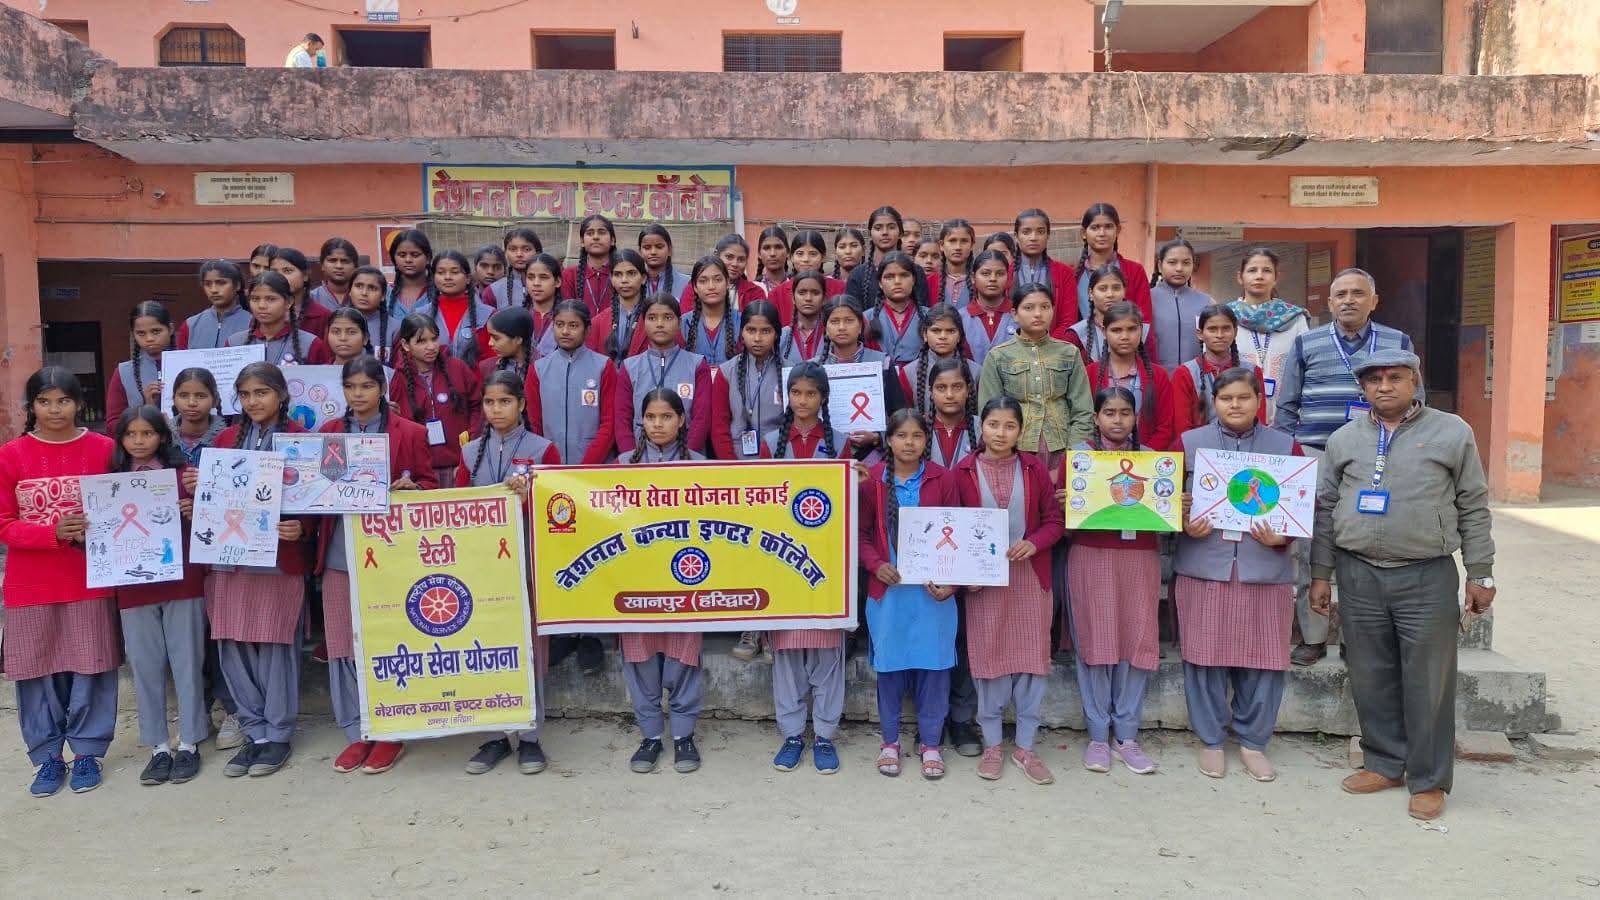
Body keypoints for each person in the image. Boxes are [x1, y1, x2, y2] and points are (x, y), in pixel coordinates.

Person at [1310, 348, 1495, 822]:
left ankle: (1429, 779)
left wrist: (1481, 571)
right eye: (1374, 380)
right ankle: (1383, 763)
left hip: (1426, 573)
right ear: (1363, 388)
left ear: (1415, 381)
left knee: (1429, 679)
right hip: (1358, 572)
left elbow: (1474, 504)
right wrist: (1320, 573)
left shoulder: (1452, 432)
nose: (1385, 386)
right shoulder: (1345, 439)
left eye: (1395, 377)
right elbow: (1325, 509)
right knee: (1369, 673)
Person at [1274, 268, 1415, 667]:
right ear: (1330, 302)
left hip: (1376, 453)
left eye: (1358, 293)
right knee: (1309, 548)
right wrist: (1289, 457)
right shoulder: (1307, 342)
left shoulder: (1397, 341)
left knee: (1364, 545)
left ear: (1374, 301)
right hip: (1315, 454)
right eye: (1341, 294)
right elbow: (1287, 405)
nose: (1349, 300)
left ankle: (1358, 638)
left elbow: (1414, 398)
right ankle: (1313, 637)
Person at [1174, 369, 1299, 781]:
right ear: (1214, 401)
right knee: (1203, 656)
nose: (1235, 405)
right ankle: (1210, 739)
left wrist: (1283, 537)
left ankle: (1253, 741)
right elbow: (1165, 500)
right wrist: (1183, 521)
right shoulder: (1189, 443)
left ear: (1258, 401)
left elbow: (1303, 506)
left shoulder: (1285, 446)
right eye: (1226, 398)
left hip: (1264, 567)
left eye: (1243, 397)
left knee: (1264, 659)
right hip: (1205, 564)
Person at [0, 368, 120, 797]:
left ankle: (88, 751)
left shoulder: (104, 449)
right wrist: (50, 533)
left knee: (92, 664)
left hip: (90, 578)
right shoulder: (10, 455)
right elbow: (4, 523)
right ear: (31, 407)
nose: (55, 410)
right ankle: (47, 757)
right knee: (36, 669)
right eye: (44, 401)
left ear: (79, 404)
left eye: (64, 401)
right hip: (30, 583)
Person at [319, 356, 436, 776]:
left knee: (389, 639)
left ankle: (392, 730)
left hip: (390, 553)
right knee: (343, 643)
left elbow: (429, 483)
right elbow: (313, 488)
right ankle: (357, 730)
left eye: (366, 386)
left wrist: (412, 487)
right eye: (350, 387)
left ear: (382, 389)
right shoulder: (329, 433)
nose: (358, 394)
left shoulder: (411, 432)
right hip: (339, 550)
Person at [953, 397, 1064, 784]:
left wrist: (1034, 542)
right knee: (990, 662)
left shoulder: (1033, 469)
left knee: (1032, 662)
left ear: (1021, 431)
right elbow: (953, 529)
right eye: (993, 425)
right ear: (981, 427)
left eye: (1009, 426)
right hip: (984, 583)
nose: (1000, 433)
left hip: (1029, 577)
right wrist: (964, 575)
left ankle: (1026, 748)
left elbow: (1054, 521)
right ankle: (993, 745)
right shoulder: (962, 472)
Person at [210, 363, 311, 779]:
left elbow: (318, 499)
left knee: (274, 644)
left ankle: (278, 732)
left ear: (282, 395)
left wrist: (303, 528)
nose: (253, 401)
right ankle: (253, 731)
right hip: (229, 558)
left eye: (262, 392)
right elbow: (213, 500)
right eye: (245, 394)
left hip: (279, 559)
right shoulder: (224, 441)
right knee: (233, 642)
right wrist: (198, 490)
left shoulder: (302, 441)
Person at [458, 372, 561, 775]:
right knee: (488, 647)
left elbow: (558, 512)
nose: (496, 410)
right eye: (489, 402)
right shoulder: (469, 452)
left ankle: (531, 737)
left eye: (504, 402)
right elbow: (456, 508)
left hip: (527, 564)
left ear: (521, 404)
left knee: (529, 649)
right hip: (482, 567)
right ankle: (495, 735)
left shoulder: (543, 449)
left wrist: (529, 498)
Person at [1061, 386, 1162, 776]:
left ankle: (1127, 735)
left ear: (1135, 417)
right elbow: (1063, 518)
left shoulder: (1153, 461)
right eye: (1109, 412)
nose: (1117, 420)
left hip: (1140, 558)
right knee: (1095, 642)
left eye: (1125, 413)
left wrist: (1176, 507)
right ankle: (1099, 736)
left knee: (1136, 640)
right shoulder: (1080, 458)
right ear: (1096, 417)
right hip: (1092, 556)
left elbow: (1163, 516)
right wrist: (1063, 503)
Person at [857, 410, 961, 779]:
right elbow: (861, 535)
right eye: (901, 435)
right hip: (889, 592)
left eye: (917, 436)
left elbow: (958, 531)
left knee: (935, 669)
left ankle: (931, 744)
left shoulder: (942, 478)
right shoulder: (872, 482)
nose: (909, 443)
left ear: (925, 440)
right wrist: (876, 565)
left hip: (934, 593)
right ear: (888, 440)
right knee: (890, 669)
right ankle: (889, 742)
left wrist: (952, 583)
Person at [110, 407, 209, 786]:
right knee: (145, 667)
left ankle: (190, 742)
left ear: (163, 437)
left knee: (188, 663)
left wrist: (194, 508)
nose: (139, 441)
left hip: (183, 581)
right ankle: (158, 747)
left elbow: (212, 523)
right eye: (131, 434)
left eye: (147, 433)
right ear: (121, 440)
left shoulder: (185, 477)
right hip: (133, 587)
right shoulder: (110, 483)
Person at [763, 364, 848, 774]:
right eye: (795, 393)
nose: (802, 401)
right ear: (787, 396)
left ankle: (825, 735)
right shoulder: (769, 444)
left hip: (826, 566)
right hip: (781, 565)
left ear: (823, 398)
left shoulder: (841, 443)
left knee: (827, 652)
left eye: (810, 394)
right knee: (787, 655)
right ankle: (793, 733)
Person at [620, 389, 707, 774]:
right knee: (639, 655)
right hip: (636, 580)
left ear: (681, 420)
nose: (658, 424)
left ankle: (684, 735)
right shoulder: (622, 465)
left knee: (684, 653)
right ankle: (651, 736)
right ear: (641, 421)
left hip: (685, 578)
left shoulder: (701, 466)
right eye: (651, 417)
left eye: (666, 416)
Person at [388, 313, 482, 488]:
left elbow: (478, 406)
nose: (431, 346)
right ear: (406, 345)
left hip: (460, 465)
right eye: (421, 341)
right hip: (419, 473)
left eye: (434, 339)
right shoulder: (396, 379)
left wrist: (470, 450)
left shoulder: (457, 368)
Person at [1228, 247, 1307, 426]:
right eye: (1252, 270)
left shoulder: (1295, 318)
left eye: (1266, 270)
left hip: (1286, 414)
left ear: (1276, 277)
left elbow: (1304, 366)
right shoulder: (1226, 317)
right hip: (1235, 412)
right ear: (1240, 277)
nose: (1259, 276)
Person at [105, 301, 174, 429]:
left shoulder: (191, 362)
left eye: (156, 331)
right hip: (141, 440)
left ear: (170, 329)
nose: (149, 338)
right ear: (133, 335)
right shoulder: (124, 372)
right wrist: (146, 410)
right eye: (141, 333)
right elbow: (113, 424)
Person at [1149, 238, 1213, 369]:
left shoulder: (1207, 302)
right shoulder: (1145, 299)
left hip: (1196, 377)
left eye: (1186, 263)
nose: (1179, 268)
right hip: (1155, 377)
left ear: (1193, 265)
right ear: (1160, 265)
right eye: (1172, 262)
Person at [179, 260, 251, 350]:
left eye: (221, 283)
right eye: (207, 284)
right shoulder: (190, 325)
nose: (213, 290)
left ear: (237, 285)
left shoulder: (252, 323)